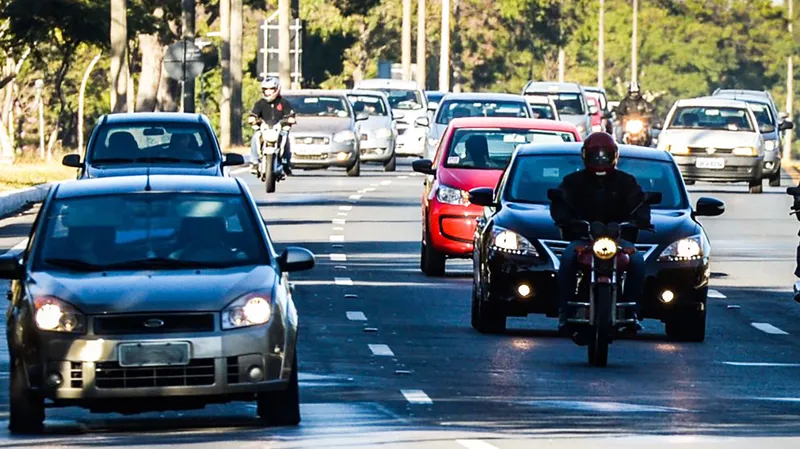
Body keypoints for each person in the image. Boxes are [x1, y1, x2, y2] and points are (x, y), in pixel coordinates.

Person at [549, 132, 651, 336]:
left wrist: (639, 220)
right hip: (584, 238)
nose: (600, 159)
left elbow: (640, 203)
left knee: (637, 262)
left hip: (617, 238)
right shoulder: (572, 181)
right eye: (595, 155)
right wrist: (568, 221)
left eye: (605, 155)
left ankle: (632, 311)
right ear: (585, 156)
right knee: (568, 258)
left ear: (614, 156)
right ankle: (565, 309)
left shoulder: (627, 181)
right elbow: (560, 203)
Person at [248, 77, 296, 174]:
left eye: (271, 89)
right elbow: (253, 114)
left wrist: (290, 119)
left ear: (277, 89)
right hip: (264, 129)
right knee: (255, 137)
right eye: (266, 89)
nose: (268, 92)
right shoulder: (260, 103)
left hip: (280, 129)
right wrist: (252, 119)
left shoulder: (284, 102)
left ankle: (286, 162)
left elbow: (290, 115)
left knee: (286, 139)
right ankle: (254, 162)